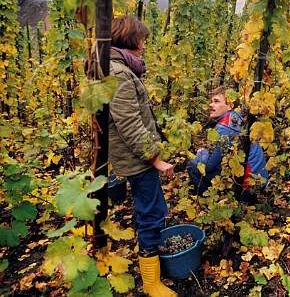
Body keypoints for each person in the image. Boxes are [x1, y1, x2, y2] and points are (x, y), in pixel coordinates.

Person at [108, 15, 176, 297]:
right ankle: (151, 284)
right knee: (152, 213)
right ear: (129, 40)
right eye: (142, 41)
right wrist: (154, 159)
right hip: (137, 159)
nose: (144, 47)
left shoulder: (114, 66)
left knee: (148, 209)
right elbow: (129, 123)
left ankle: (151, 275)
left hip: (131, 155)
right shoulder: (119, 73)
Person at [187, 86, 268, 200]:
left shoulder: (225, 126)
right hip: (259, 183)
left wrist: (200, 152)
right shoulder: (237, 118)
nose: (211, 105)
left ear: (230, 106)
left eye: (216, 101)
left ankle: (209, 202)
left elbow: (208, 166)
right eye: (211, 101)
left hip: (246, 188)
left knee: (192, 164)